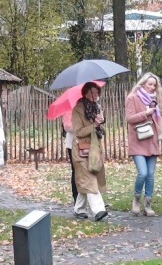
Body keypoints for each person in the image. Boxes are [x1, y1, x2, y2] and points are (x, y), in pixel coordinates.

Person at [125, 72, 162, 216]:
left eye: (154, 85)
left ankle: (148, 205)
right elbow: (129, 118)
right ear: (142, 83)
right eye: (149, 84)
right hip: (138, 140)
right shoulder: (132, 98)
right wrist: (146, 113)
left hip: (152, 140)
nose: (152, 87)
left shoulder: (154, 101)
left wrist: (159, 123)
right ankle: (136, 200)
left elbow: (156, 119)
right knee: (142, 173)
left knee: (150, 175)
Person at [72, 81, 108, 221]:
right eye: (92, 93)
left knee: (87, 180)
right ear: (85, 93)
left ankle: (79, 208)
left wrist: (101, 124)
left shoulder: (97, 108)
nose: (95, 95)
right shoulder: (77, 110)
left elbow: (101, 131)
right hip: (81, 150)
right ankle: (99, 209)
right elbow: (78, 132)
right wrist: (94, 125)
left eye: (97, 93)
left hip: (95, 150)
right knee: (90, 179)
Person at [63, 110, 78, 204]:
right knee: (76, 170)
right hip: (73, 144)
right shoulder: (70, 109)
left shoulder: (90, 105)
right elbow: (67, 126)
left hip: (88, 143)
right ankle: (76, 197)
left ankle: (94, 197)